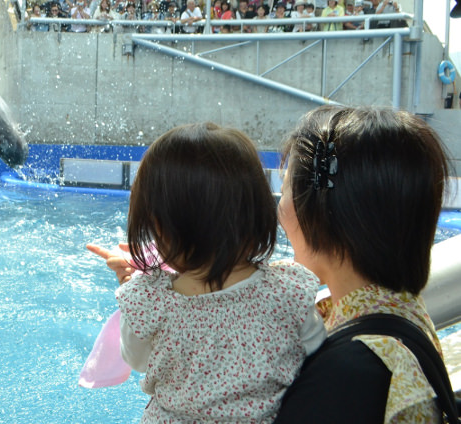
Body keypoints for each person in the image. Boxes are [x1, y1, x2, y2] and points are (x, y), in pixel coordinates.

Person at [87, 123, 325, 424]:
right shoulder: (287, 292)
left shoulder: (148, 301)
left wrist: (139, 285)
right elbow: (317, 356)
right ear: (257, 212)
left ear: (157, 225)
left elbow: (137, 360)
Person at [274, 106, 450, 423]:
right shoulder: (403, 321)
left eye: (285, 189)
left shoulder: (347, 375)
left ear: (322, 213)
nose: (279, 209)